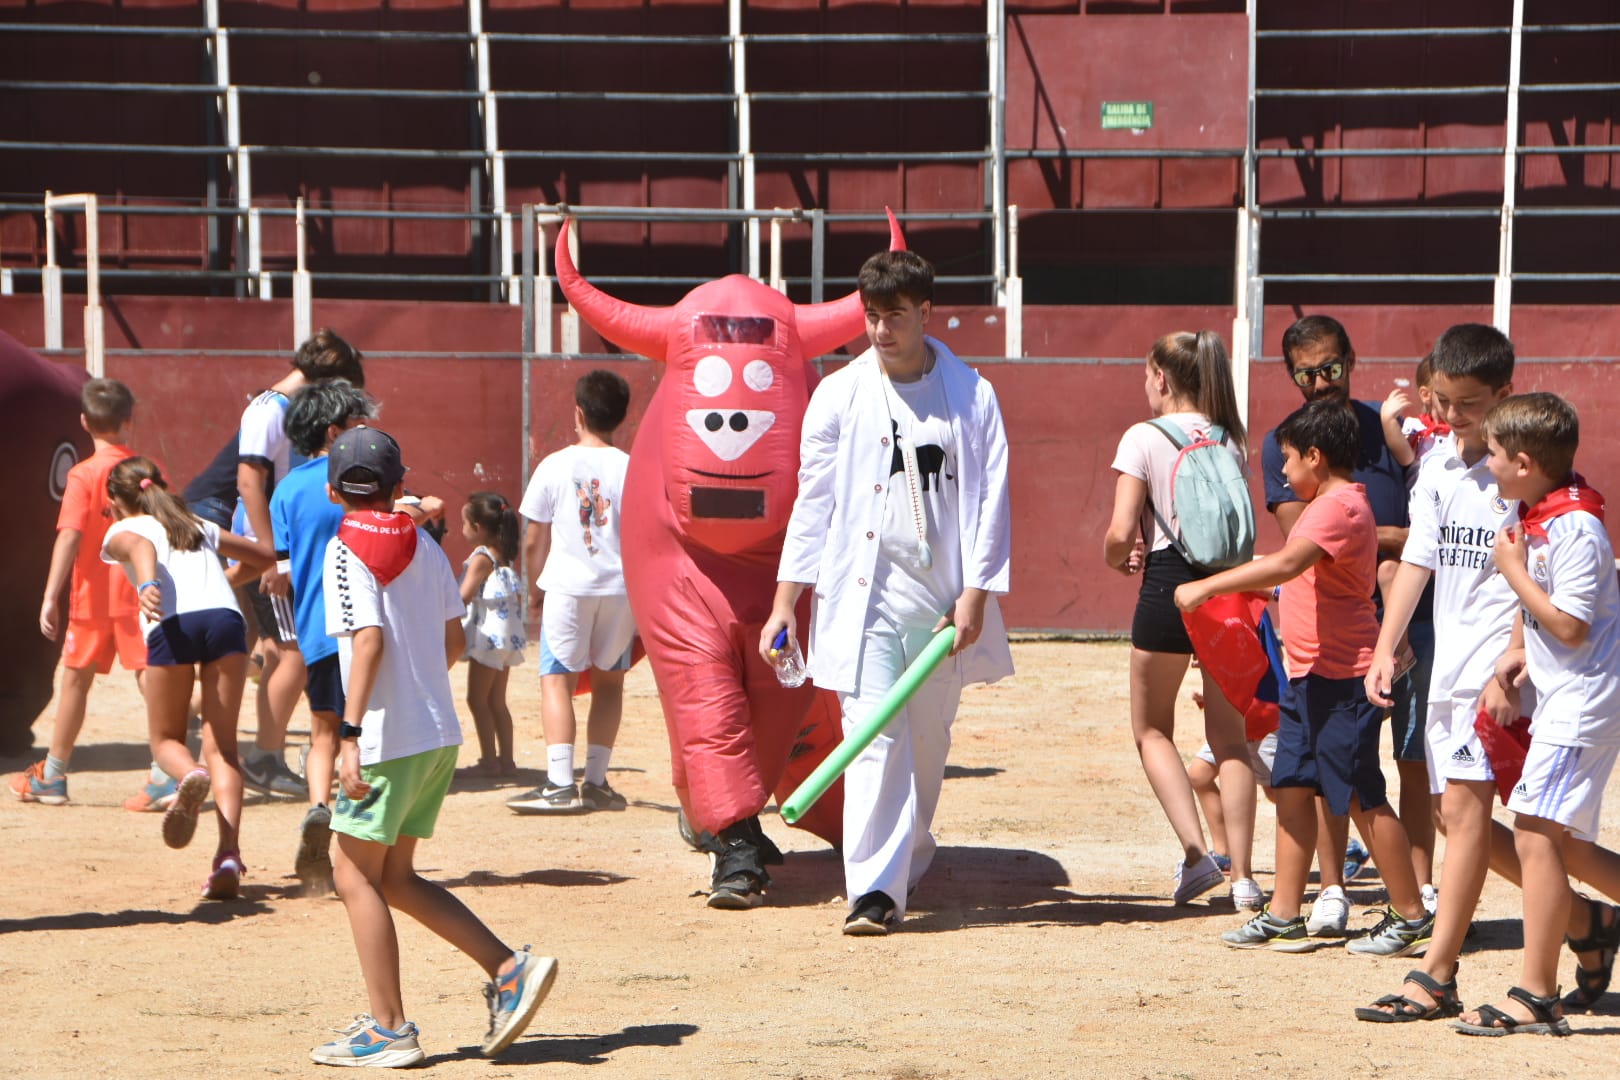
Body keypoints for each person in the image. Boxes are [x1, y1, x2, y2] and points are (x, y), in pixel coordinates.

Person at [1355, 324, 1620, 1023]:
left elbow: (1532, 577)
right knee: (1494, 824)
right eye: (1440, 400)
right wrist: (1388, 643)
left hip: (1505, 677)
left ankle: (1437, 973)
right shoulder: (1438, 462)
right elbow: (1420, 557)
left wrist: (1514, 659)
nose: (1449, 416)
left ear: (1506, 393)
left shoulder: (1519, 470)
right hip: (1449, 665)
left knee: (1485, 817)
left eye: (1467, 403)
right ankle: (1586, 924)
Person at [763, 248, 1014, 935]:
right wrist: (788, 600)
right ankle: (874, 892)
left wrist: (977, 594)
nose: (880, 330)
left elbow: (991, 500)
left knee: (927, 741)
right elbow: (811, 505)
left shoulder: (971, 395)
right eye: (872, 317)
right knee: (874, 736)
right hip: (863, 598)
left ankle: (909, 848)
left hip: (940, 605)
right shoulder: (837, 395)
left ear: (925, 312)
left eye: (894, 316)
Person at [312, 426, 554, 1067]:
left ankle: (389, 1030)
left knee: (352, 873)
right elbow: (452, 644)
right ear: (397, 486)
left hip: (386, 738)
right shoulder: (423, 543)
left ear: (335, 490)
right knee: (395, 877)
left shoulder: (344, 549)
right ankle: (508, 969)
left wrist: (351, 734)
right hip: (435, 734)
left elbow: (365, 640)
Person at [1175, 401, 1432, 953]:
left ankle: (1410, 913)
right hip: (1308, 674)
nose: (1285, 472)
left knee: (1362, 794)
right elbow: (1298, 577)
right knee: (1292, 785)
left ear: (1315, 457)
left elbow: (1288, 565)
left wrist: (1209, 586)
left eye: (1290, 460)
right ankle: (1286, 912)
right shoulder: (1338, 503)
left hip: (1343, 678)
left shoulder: (1334, 508)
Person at [1450, 393, 1620, 1035]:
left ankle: (1535, 992)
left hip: (1582, 704)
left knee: (1533, 832)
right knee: (1562, 845)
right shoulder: (1541, 508)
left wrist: (1513, 571)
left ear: (1523, 461)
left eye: (1493, 454)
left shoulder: (1576, 527)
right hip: (1566, 698)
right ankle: (1591, 935)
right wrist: (1518, 653)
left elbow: (1572, 626)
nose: (1486, 463)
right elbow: (1547, 620)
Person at [1263, 315, 1435, 936]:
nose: (1319, 382)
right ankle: (1330, 889)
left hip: (1413, 614)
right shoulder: (1285, 440)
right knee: (1325, 768)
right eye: (1306, 373)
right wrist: (1392, 541)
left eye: (1330, 368)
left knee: (1411, 758)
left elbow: (1434, 520)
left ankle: (1420, 895)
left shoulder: (1388, 430)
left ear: (1350, 361)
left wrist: (1387, 543)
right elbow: (1300, 539)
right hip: (1333, 633)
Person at [1103, 330, 1259, 909]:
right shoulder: (1229, 439)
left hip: (1168, 588)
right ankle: (1244, 876)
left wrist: (1119, 558)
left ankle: (1197, 856)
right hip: (1226, 592)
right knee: (1231, 741)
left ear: (1162, 378)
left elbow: (1122, 534)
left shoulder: (1143, 437)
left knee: (1152, 731)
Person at [184, 329, 366, 800]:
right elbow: (249, 483)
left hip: (258, 532)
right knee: (292, 649)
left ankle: (193, 714)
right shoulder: (269, 408)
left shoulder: (280, 408)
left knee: (254, 646)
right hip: (252, 531)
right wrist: (274, 555)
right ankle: (265, 756)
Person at [101, 458, 273, 898]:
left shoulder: (122, 528)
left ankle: (189, 776)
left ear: (116, 501)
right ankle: (229, 856)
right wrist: (228, 580)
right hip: (224, 619)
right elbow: (263, 557)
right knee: (224, 747)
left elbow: (141, 548)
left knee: (165, 742)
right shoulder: (193, 522)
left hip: (172, 623)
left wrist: (145, 585)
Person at [12, 378, 172, 811]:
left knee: (75, 682)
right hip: (140, 595)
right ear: (129, 421)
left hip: (91, 598)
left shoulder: (83, 474)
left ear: (84, 422)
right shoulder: (146, 469)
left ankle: (55, 773)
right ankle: (164, 769)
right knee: (149, 677)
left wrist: (50, 594)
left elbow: (69, 535)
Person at [508, 371, 635, 815]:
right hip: (620, 587)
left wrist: (534, 582)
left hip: (568, 584)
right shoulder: (630, 465)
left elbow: (531, 538)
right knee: (609, 683)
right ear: (621, 416)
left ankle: (560, 781)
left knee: (556, 679)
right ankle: (596, 780)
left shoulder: (554, 464)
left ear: (577, 412)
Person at [270, 380, 377, 890]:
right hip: (366, 628)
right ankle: (364, 846)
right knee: (367, 733)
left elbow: (281, 571)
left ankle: (317, 805)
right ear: (334, 431)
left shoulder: (287, 490)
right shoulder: (361, 482)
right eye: (358, 426)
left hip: (315, 627)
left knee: (323, 733)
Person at [457, 492, 525, 779]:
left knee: (477, 699)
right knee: (497, 700)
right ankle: (506, 760)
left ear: (477, 527)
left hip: (488, 638)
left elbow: (464, 595)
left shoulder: (482, 558)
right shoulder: (503, 555)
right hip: (507, 637)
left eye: (464, 523)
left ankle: (489, 759)